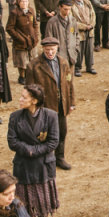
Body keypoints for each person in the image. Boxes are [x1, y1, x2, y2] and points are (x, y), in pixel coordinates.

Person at [7, 84, 60, 217]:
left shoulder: (50, 116)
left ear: (34, 101)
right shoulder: (15, 117)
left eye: (24, 97)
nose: (20, 99)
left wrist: (35, 151)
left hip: (43, 165)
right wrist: (28, 150)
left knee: (44, 201)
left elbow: (54, 141)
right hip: (23, 166)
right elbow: (12, 141)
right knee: (26, 203)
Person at [25, 38, 75, 171]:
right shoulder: (33, 66)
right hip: (45, 107)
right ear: (43, 49)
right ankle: (45, 159)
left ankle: (60, 157)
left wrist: (71, 102)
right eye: (47, 50)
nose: (50, 53)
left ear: (57, 49)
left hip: (61, 104)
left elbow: (69, 83)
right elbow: (30, 89)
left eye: (53, 50)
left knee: (62, 132)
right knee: (44, 134)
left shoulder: (63, 63)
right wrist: (34, 107)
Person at [6, 0, 41, 85]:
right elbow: (9, 28)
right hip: (21, 41)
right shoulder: (14, 13)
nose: (24, 3)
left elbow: (35, 24)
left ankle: (31, 75)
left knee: (32, 58)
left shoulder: (31, 11)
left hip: (32, 40)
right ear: (18, 2)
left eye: (26, 1)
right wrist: (19, 38)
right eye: (22, 1)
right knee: (22, 60)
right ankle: (22, 76)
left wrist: (36, 36)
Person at [46, 0, 79, 72]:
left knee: (70, 79)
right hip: (58, 57)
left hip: (71, 56)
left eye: (69, 9)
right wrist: (55, 53)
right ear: (60, 7)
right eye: (65, 9)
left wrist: (76, 49)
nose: (67, 12)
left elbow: (77, 36)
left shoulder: (73, 20)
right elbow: (49, 40)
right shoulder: (52, 22)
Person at [70, 0, 96, 75]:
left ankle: (90, 67)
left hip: (90, 31)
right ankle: (77, 68)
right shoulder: (71, 6)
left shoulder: (87, 2)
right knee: (79, 50)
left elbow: (93, 15)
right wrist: (84, 27)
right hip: (79, 33)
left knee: (90, 50)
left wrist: (92, 25)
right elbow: (72, 21)